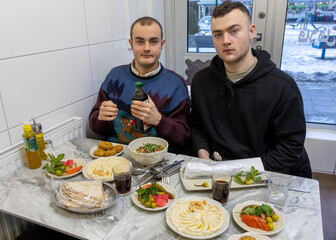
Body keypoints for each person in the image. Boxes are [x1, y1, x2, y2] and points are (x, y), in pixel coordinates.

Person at [190, 1, 312, 178]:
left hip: (265, 173)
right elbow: (197, 126)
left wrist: (241, 174)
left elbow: (289, 147)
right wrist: (202, 151)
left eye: (234, 31)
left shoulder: (282, 87)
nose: (225, 41)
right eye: (217, 34)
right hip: (216, 171)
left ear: (251, 32)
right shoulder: (201, 81)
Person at [89, 16, 190, 149]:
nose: (147, 48)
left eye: (153, 42)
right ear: (131, 44)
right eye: (140, 42)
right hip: (118, 154)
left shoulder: (176, 84)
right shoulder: (114, 76)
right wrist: (101, 118)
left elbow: (183, 138)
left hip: (157, 158)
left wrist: (158, 120)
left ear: (162, 44)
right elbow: (97, 128)